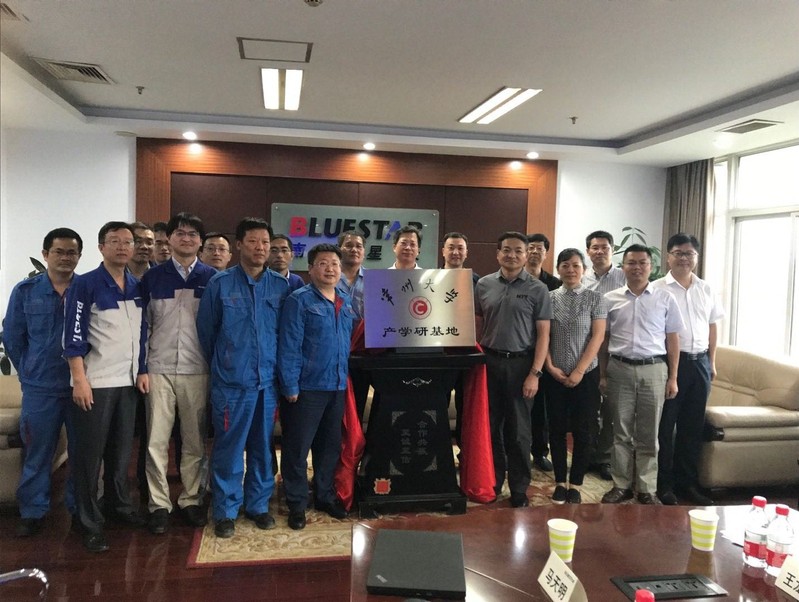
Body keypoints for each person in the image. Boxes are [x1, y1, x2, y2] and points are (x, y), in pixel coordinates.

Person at [196, 217, 289, 538]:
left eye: (265, 242)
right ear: (239, 245)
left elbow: (285, 334)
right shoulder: (220, 284)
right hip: (232, 385)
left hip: (267, 385)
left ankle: (258, 506)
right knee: (229, 448)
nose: (260, 248)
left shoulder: (281, 286)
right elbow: (207, 333)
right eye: (253, 241)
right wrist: (227, 363)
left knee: (263, 447)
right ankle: (226, 510)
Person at [64, 221, 148, 552]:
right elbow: (73, 335)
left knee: (120, 452)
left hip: (128, 382)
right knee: (89, 456)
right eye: (115, 241)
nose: (123, 247)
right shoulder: (85, 284)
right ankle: (87, 521)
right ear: (101, 247)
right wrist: (79, 380)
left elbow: (141, 333)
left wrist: (142, 370)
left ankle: (119, 506)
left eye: (128, 241)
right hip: (95, 383)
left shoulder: (137, 285)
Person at [140, 213, 216, 534]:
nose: (186, 238)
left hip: (197, 370)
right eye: (180, 233)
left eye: (192, 234)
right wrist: (142, 368)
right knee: (155, 441)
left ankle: (191, 499)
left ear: (200, 241)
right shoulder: (152, 277)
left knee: (194, 440)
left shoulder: (212, 278)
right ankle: (159, 504)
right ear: (169, 239)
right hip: (158, 369)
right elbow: (142, 327)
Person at [4, 228, 83, 537]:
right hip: (40, 387)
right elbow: (13, 337)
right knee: (37, 450)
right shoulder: (25, 291)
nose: (65, 257)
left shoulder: (86, 289)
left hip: (80, 385)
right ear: (46, 254)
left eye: (72, 252)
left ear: (79, 256)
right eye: (59, 251)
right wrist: (28, 371)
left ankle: (79, 509)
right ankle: (33, 510)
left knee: (81, 452)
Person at [278, 243, 357, 530]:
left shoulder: (344, 301)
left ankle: (324, 496)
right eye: (323, 263)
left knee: (329, 447)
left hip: (336, 386)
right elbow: (289, 345)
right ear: (310, 269)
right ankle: (297, 503)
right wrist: (290, 384)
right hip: (305, 388)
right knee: (297, 449)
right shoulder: (299, 300)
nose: (330, 269)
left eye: (335, 263)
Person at [599, 244, 683, 505]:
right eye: (631, 262)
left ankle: (647, 488)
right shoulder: (610, 299)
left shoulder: (665, 298)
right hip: (619, 369)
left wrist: (673, 377)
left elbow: (673, 340)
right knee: (620, 432)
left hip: (654, 369)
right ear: (623, 266)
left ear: (651, 266)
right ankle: (621, 485)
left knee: (649, 433)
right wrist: (603, 375)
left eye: (642, 262)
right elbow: (603, 340)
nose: (637, 267)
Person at [474, 232, 551, 508]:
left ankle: (519, 488)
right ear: (498, 254)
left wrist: (535, 373)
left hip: (521, 365)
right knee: (490, 428)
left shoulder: (538, 289)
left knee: (519, 432)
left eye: (519, 250)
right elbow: (477, 325)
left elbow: (543, 334)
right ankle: (492, 482)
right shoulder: (483, 284)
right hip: (489, 363)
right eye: (506, 250)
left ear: (526, 255)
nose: (512, 255)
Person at [651, 233, 724, 506]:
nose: (684, 258)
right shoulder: (656, 289)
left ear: (697, 257)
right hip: (670, 363)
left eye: (689, 253)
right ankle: (664, 484)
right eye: (679, 253)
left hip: (700, 363)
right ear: (668, 256)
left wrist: (712, 361)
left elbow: (713, 326)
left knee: (692, 428)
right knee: (665, 427)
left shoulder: (706, 288)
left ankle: (687, 484)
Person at [543, 249, 606, 505]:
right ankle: (560, 482)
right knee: (556, 429)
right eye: (565, 265)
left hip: (587, 375)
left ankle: (576, 483)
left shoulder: (595, 298)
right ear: (558, 269)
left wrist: (579, 370)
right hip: (554, 375)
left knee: (584, 430)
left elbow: (598, 337)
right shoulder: (548, 298)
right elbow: (543, 336)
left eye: (576, 265)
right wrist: (549, 366)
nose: (571, 270)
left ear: (584, 270)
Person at [583, 230, 627, 482]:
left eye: (605, 247)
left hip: (614, 351)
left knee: (610, 410)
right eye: (595, 247)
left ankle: (605, 459)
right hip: (585, 351)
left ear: (612, 250)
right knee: (589, 409)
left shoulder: (624, 277)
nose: (599, 251)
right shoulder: (581, 277)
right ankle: (586, 455)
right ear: (588, 251)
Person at [524, 233, 560, 473]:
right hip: (519, 349)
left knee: (541, 407)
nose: (535, 252)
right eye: (531, 248)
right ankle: (512, 451)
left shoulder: (554, 284)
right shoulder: (514, 279)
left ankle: (540, 452)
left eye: (540, 248)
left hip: (544, 352)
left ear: (546, 253)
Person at [441, 232, 479, 447]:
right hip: (440, 353)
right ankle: (440, 452)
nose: (455, 252)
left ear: (466, 253)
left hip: (467, 352)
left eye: (460, 248)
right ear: (443, 251)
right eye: (451, 247)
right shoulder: (429, 278)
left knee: (466, 405)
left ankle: (466, 453)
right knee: (439, 401)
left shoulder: (478, 282)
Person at [335, 230, 369, 421]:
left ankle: (356, 439)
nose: (354, 249)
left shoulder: (374, 280)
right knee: (335, 405)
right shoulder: (329, 276)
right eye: (348, 245)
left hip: (363, 352)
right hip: (334, 351)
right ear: (339, 249)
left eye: (358, 246)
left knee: (359, 401)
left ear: (364, 251)